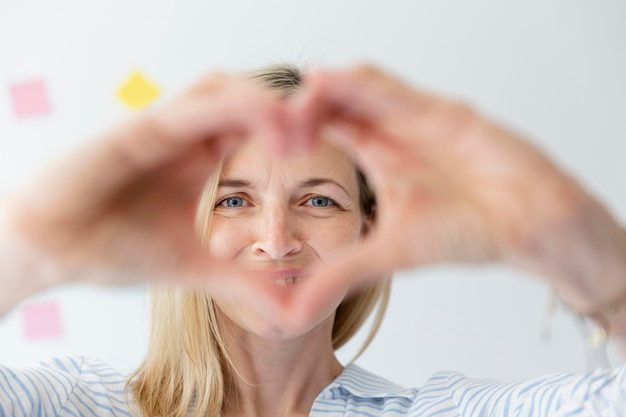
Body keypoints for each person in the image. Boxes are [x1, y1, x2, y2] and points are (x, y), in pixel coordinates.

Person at [0, 64, 625, 417]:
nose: (276, 240)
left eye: (319, 200)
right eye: (234, 200)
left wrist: (599, 265)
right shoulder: (75, 404)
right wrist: (25, 253)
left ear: (368, 228)